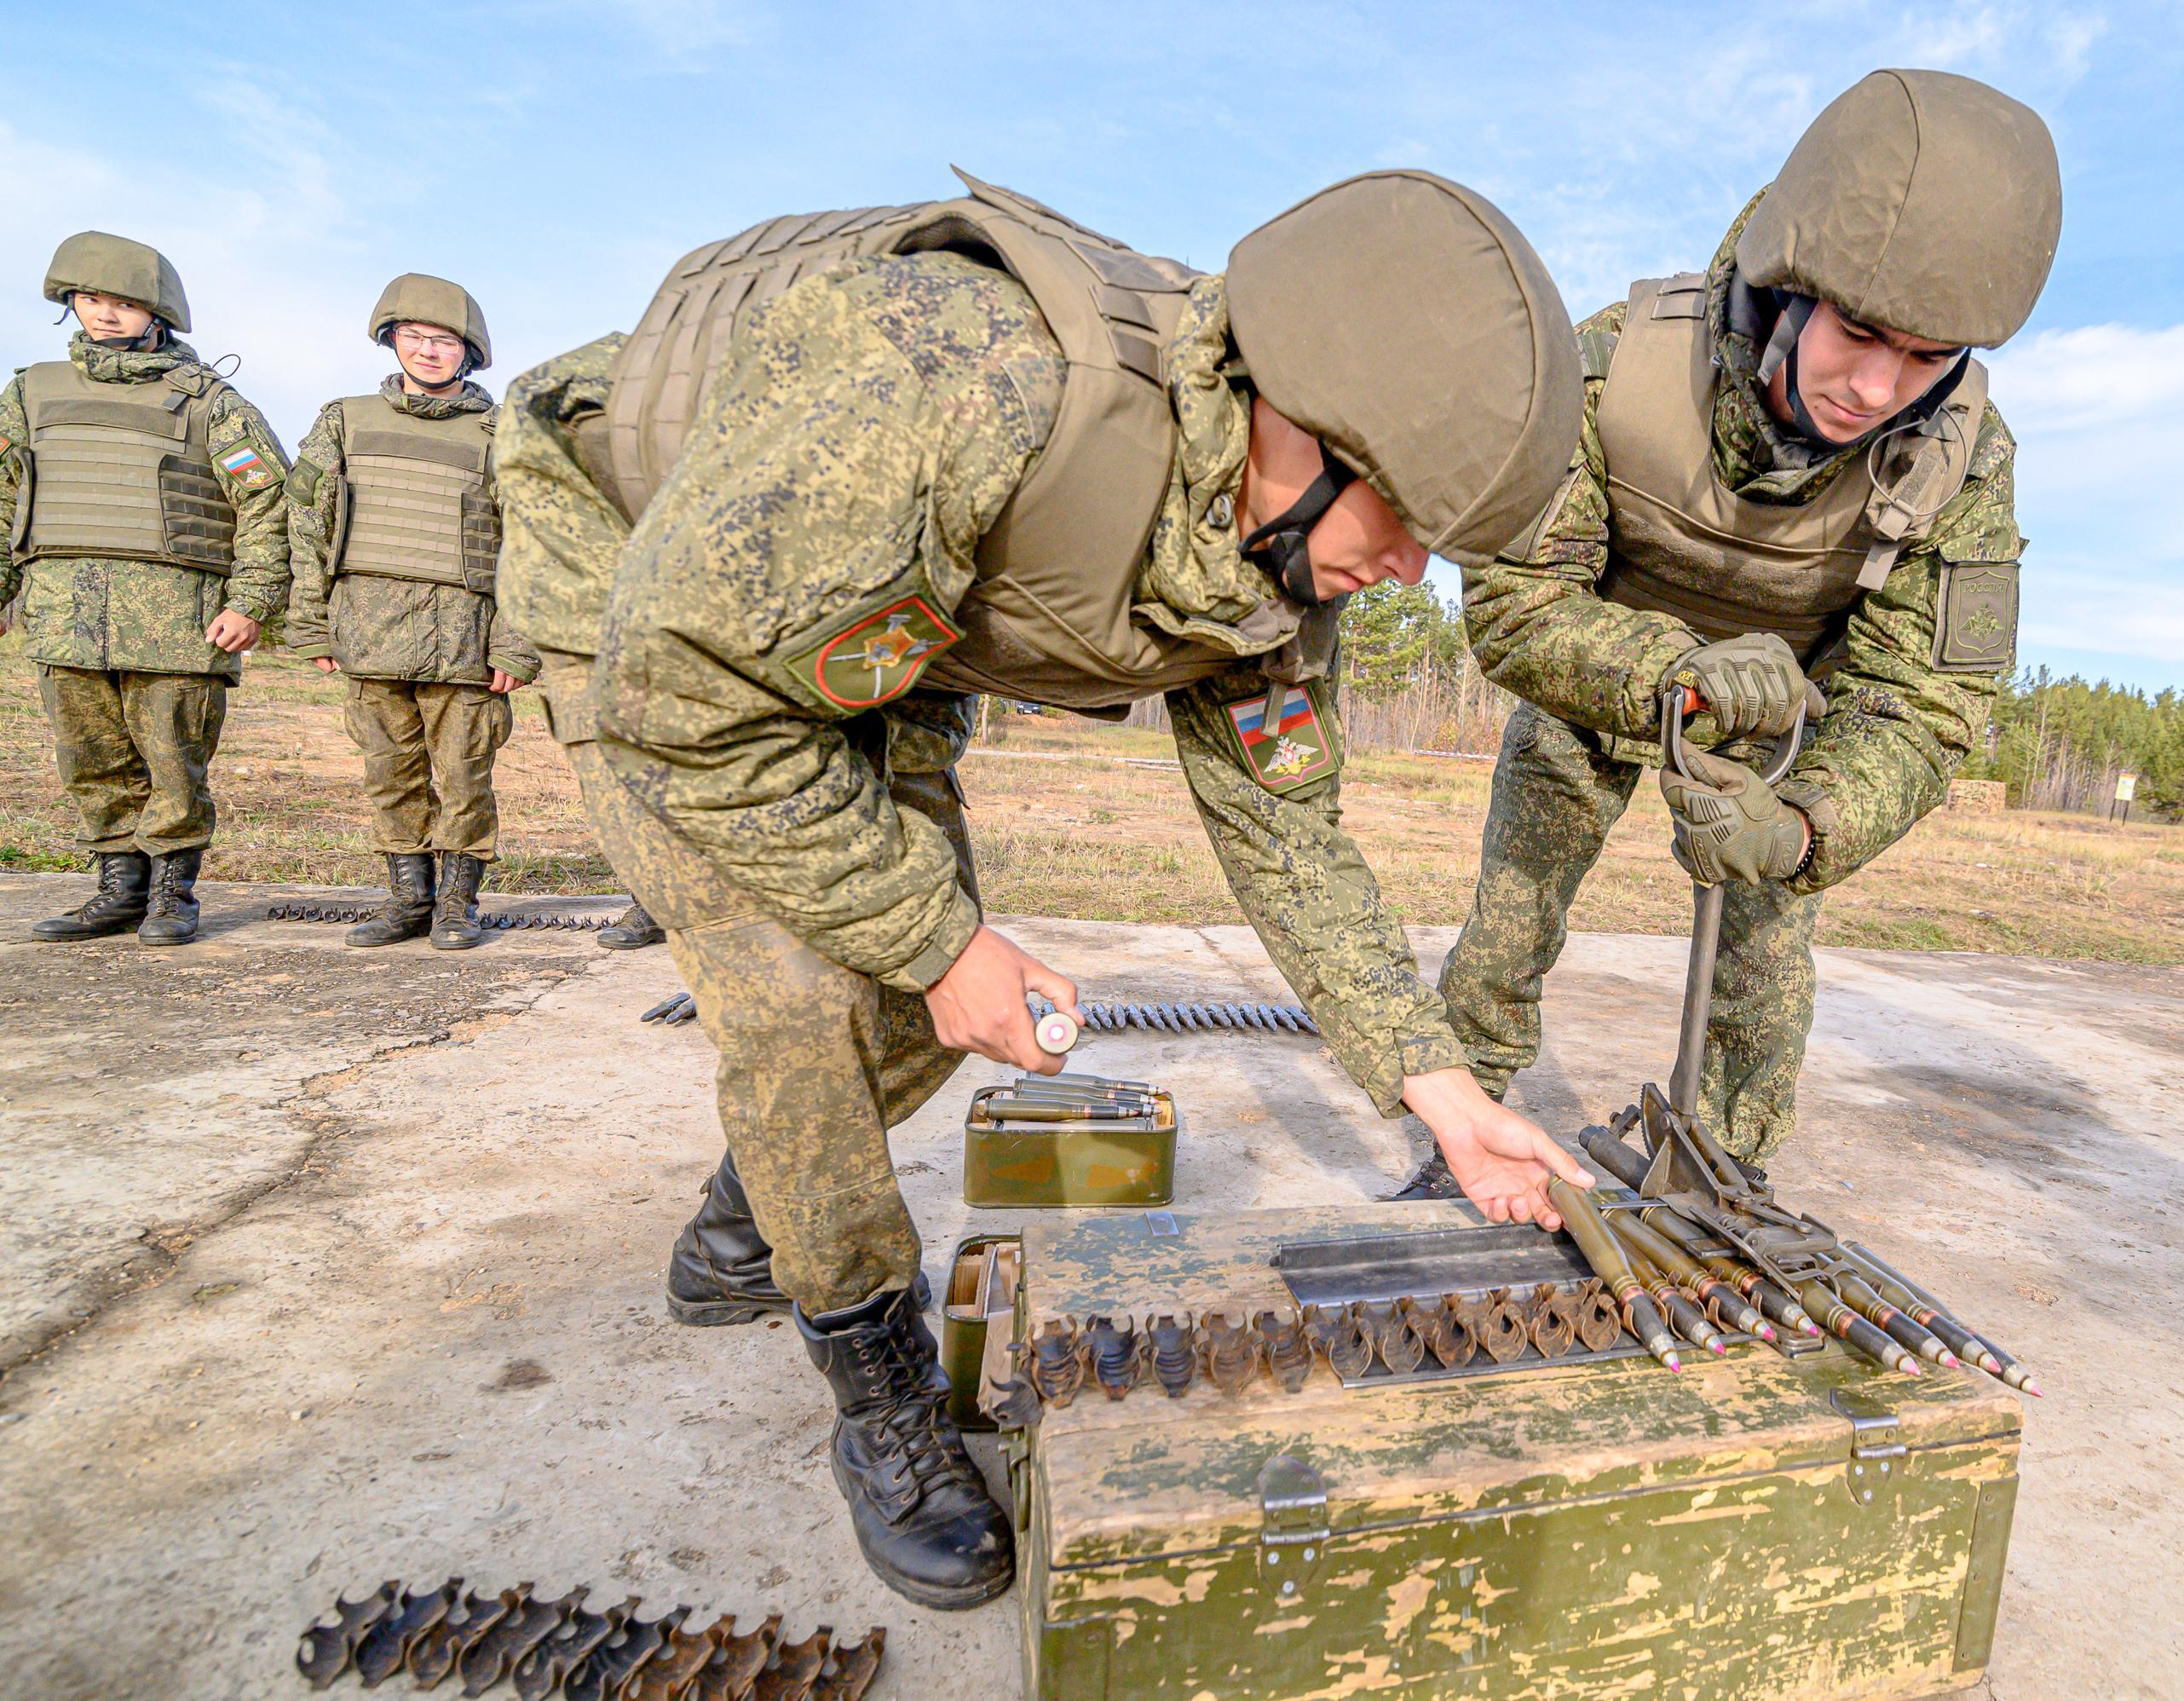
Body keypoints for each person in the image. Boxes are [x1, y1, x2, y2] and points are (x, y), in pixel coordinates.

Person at [497, 169, 1593, 1608]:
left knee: (905, 1014)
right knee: (812, 994)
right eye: (1404, 514)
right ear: (1303, 414)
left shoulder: (1280, 556)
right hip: (654, 588)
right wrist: (942, 936)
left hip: (870, 628)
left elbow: (1292, 840)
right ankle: (877, 1390)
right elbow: (685, 689)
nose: (1408, 570)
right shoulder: (962, 375)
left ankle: (744, 1222)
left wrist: (1443, 1092)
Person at [1424, 69, 2063, 1191]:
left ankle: (1720, 1183)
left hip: (1782, 735)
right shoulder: (1615, 365)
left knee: (1764, 957)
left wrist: (1807, 828)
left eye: (1927, 357)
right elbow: (1514, 606)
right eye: (1858, 332)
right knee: (1508, 923)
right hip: (1600, 678)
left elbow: (1929, 701)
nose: (1875, 388)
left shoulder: (1967, 463)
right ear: (1787, 283)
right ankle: (1462, 1134)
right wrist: (1673, 671)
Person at [0, 233, 292, 945]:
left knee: (172, 760)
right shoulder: (30, 393)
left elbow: (270, 503)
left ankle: (171, 893)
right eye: (92, 299)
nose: (105, 315)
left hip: (179, 623)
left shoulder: (211, 403)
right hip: (65, 613)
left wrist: (250, 601)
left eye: (124, 303)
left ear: (157, 312)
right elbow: (6, 498)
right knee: (91, 760)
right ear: (70, 302)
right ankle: (117, 890)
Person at [280, 275, 537, 949]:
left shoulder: (506, 431)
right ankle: (407, 898)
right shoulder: (344, 419)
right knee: (389, 772)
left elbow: (537, 542)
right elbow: (306, 524)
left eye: (444, 340)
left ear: (469, 351)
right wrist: (307, 619)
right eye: (414, 337)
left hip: (466, 639)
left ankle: (457, 902)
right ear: (391, 338)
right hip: (370, 630)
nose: (428, 351)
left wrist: (516, 644)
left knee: (463, 775)